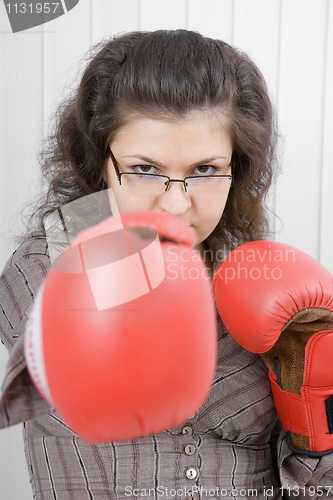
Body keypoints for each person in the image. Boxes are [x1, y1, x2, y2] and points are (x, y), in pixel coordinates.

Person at [0, 29, 331, 500]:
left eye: (204, 170)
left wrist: (317, 409)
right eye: (145, 168)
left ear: (237, 165)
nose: (175, 206)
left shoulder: (254, 280)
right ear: (101, 159)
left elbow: (312, 486)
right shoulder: (50, 261)